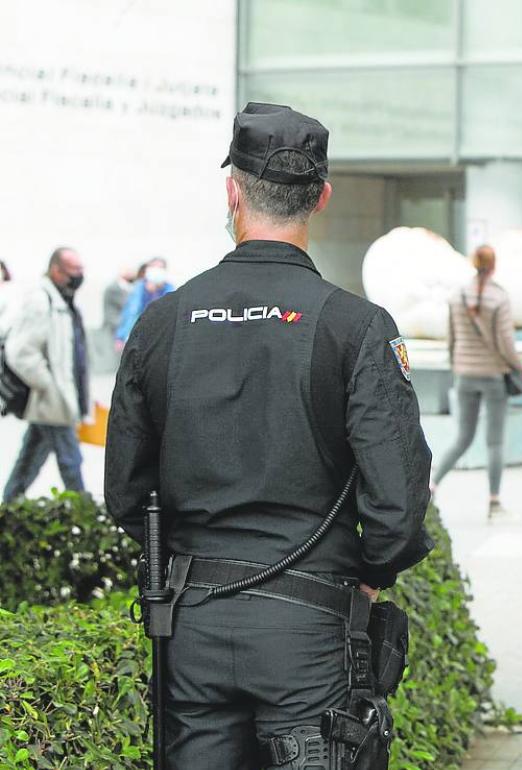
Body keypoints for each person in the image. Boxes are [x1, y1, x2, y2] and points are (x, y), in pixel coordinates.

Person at [104, 103, 434, 769]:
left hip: (191, 623)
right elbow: (397, 512)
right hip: (309, 628)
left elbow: (124, 496)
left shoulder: (163, 324)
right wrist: (365, 580)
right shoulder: (356, 327)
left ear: (233, 192)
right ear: (323, 199)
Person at [430, 244, 522, 517]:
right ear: (494, 266)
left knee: (462, 437)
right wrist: (518, 367)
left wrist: (455, 365)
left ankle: (431, 485)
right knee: (494, 442)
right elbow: (506, 342)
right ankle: (494, 501)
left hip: (465, 374)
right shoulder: (499, 298)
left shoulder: (457, 295)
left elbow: (451, 337)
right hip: (493, 376)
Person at [2, 247, 89, 501]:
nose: (80, 275)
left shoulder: (64, 300)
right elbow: (20, 351)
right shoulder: (41, 301)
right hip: (51, 400)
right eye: (74, 270)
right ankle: (85, 516)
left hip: (56, 400)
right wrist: (49, 386)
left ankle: (8, 507)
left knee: (30, 459)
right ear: (56, 270)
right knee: (71, 461)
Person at [115, 256, 176, 348]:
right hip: (137, 334)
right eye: (154, 267)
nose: (156, 271)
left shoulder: (169, 290)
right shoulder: (138, 288)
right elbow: (129, 313)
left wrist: (155, 293)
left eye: (160, 268)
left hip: (160, 337)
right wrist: (120, 337)